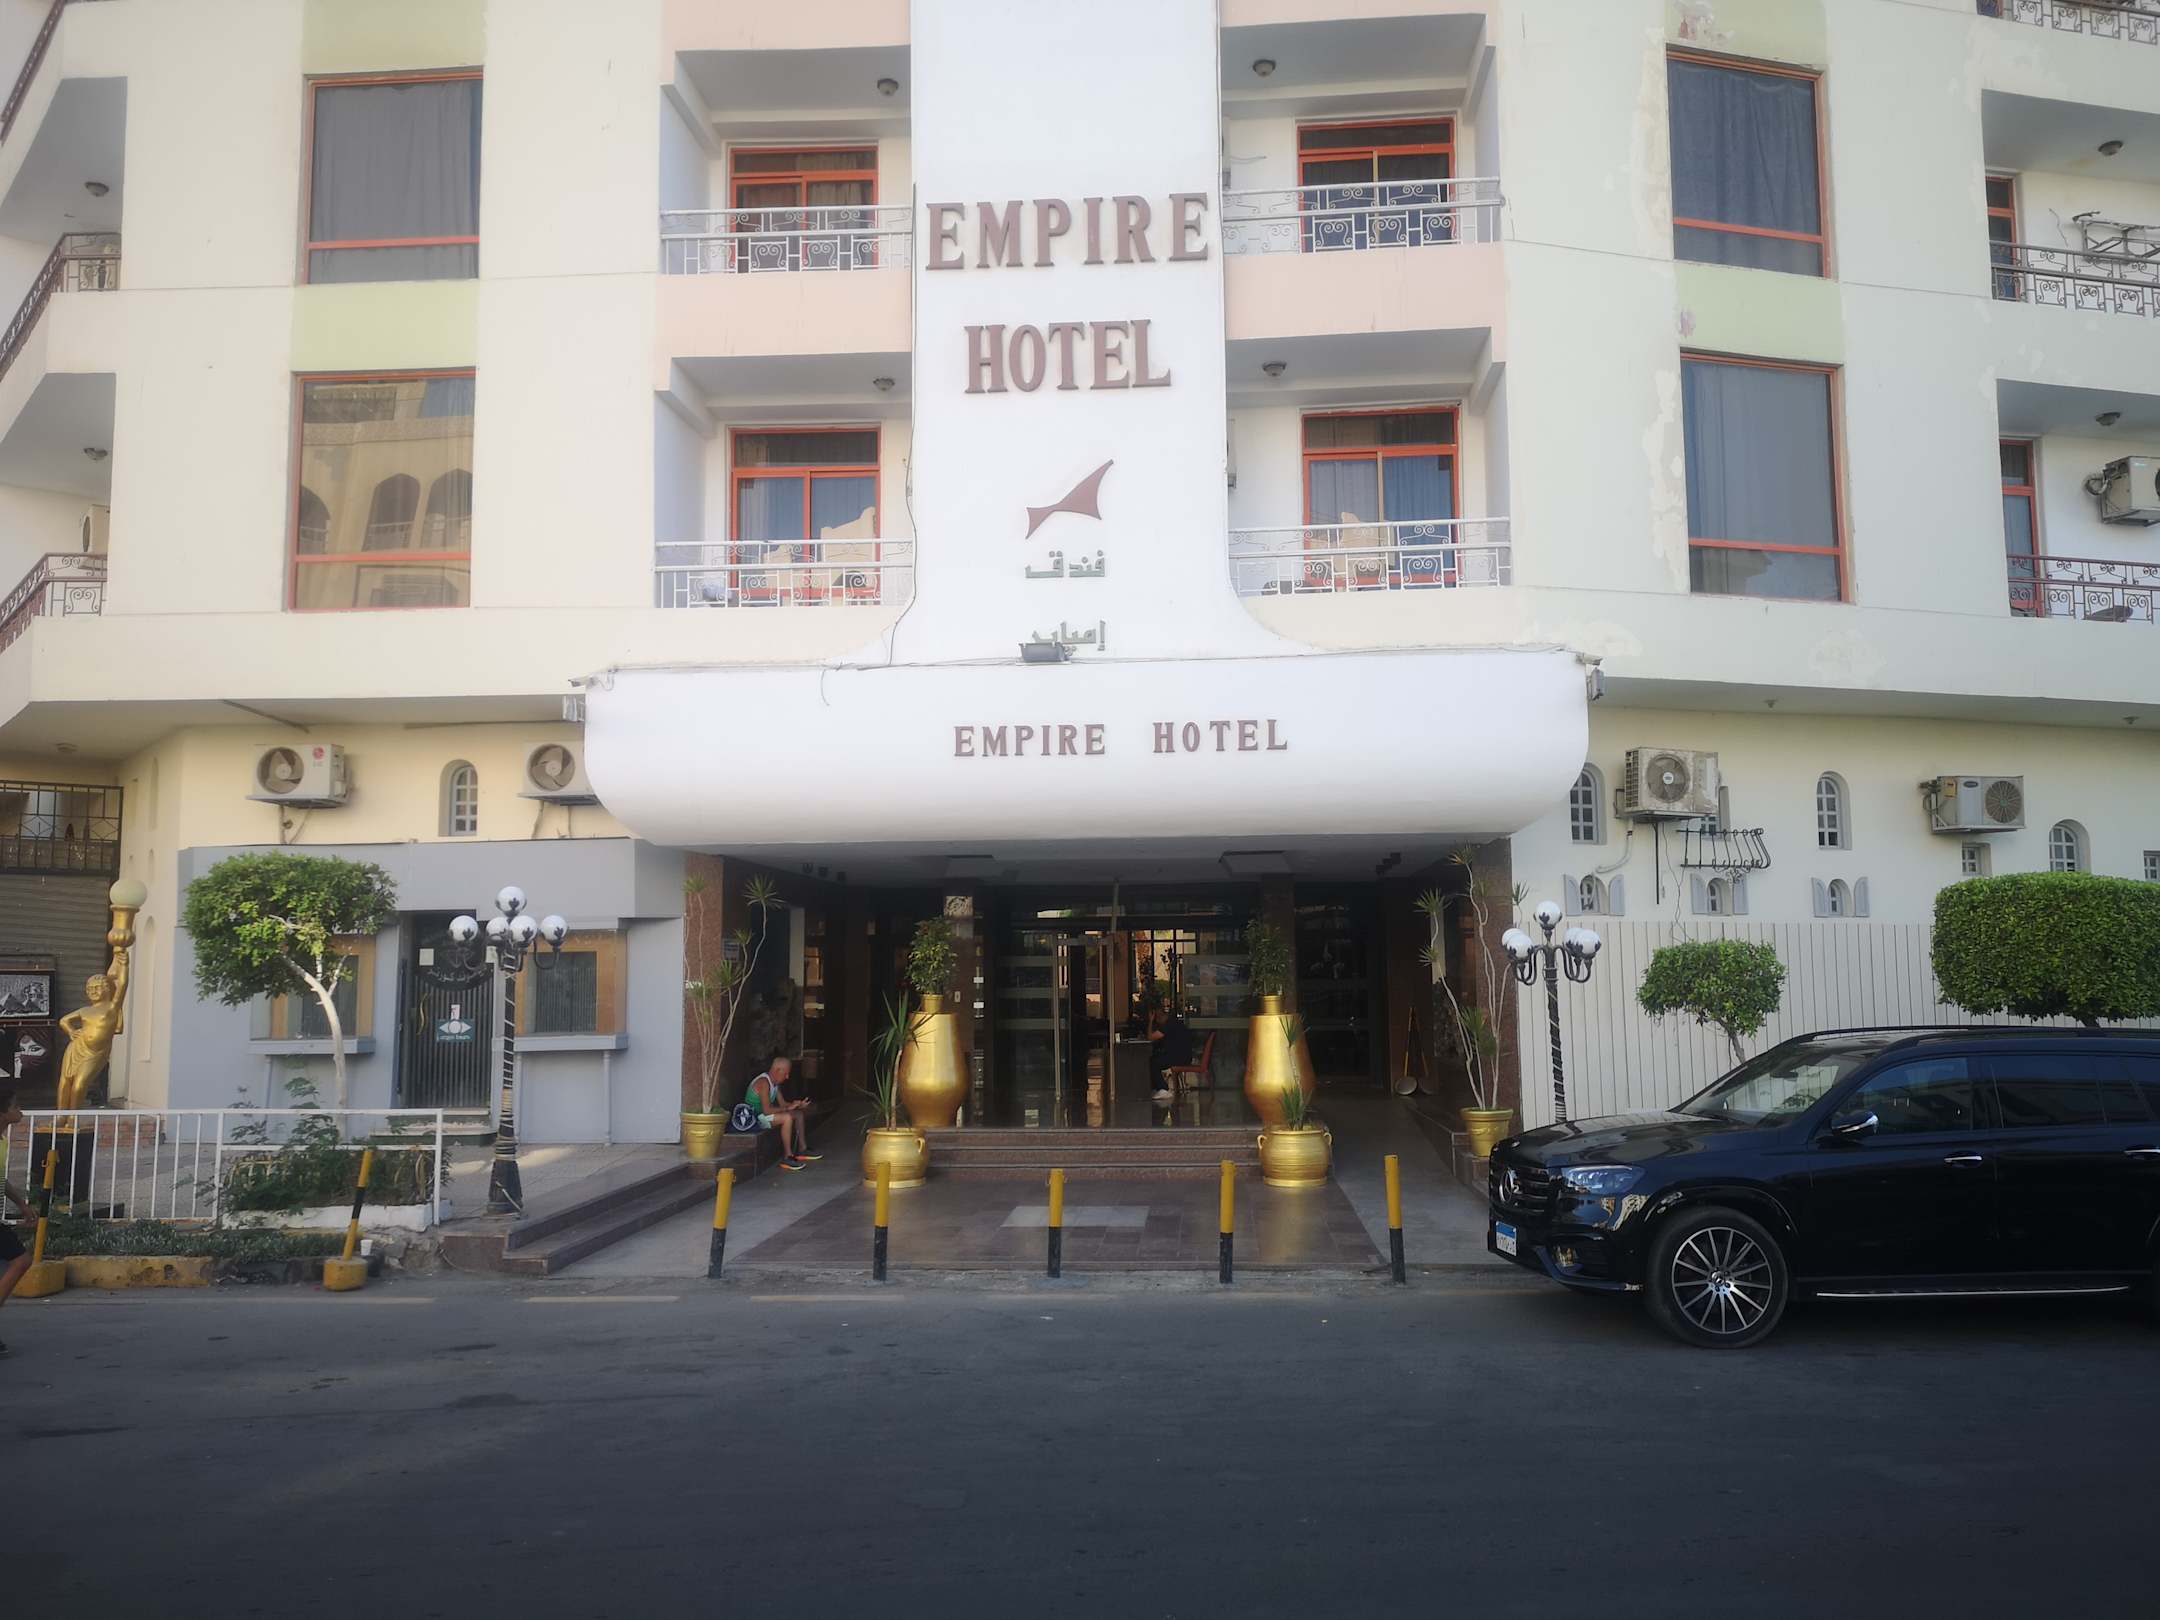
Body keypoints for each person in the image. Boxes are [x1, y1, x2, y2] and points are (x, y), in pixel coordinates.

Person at [0, 1089, 39, 1357]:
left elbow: (1, 1180)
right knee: (21, 1261)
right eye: (15, 1106)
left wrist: (22, 1204)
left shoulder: (2, 1141)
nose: (20, 1111)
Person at [747, 1054, 820, 1170]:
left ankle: (803, 1148)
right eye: (785, 1073)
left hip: (763, 1115)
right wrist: (788, 1109)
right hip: (754, 1119)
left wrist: (797, 1105)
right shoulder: (763, 1082)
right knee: (787, 1118)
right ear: (777, 1071)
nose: (787, 1077)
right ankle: (787, 1156)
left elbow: (783, 1104)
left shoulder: (774, 1083)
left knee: (798, 1114)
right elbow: (767, 1111)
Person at [1147, 1003, 1193, 1104]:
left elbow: (1150, 1037)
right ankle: (1157, 1088)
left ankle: (1163, 1088)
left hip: (1179, 1057)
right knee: (1155, 1059)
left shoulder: (1169, 1025)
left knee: (1153, 1062)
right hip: (1183, 1056)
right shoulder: (1175, 1023)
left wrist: (1150, 1021)